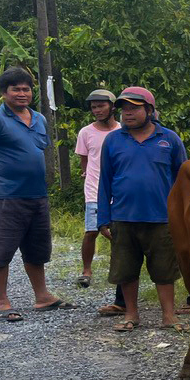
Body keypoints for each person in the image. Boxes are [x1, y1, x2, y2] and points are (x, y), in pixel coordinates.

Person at [0, 67, 69, 321]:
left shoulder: (39, 119)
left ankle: (42, 296)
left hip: (37, 195)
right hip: (6, 196)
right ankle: (2, 301)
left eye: (26, 89)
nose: (22, 93)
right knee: (2, 249)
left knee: (37, 248)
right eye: (16, 89)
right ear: (4, 93)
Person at [96, 86, 187, 332]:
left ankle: (168, 315)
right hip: (123, 217)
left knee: (164, 269)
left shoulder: (169, 139)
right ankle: (131, 315)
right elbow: (104, 180)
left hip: (162, 217)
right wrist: (103, 219)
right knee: (126, 269)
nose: (128, 113)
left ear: (150, 110)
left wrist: (183, 216)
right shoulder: (113, 140)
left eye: (134, 108)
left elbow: (183, 179)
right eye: (124, 108)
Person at [74, 89, 120, 289]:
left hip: (118, 190)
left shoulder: (122, 130)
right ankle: (86, 270)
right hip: (94, 189)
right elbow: (84, 161)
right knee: (91, 231)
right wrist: (89, 179)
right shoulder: (86, 132)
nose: (97, 110)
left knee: (117, 233)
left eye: (101, 106)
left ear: (112, 107)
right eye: (94, 107)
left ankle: (118, 269)